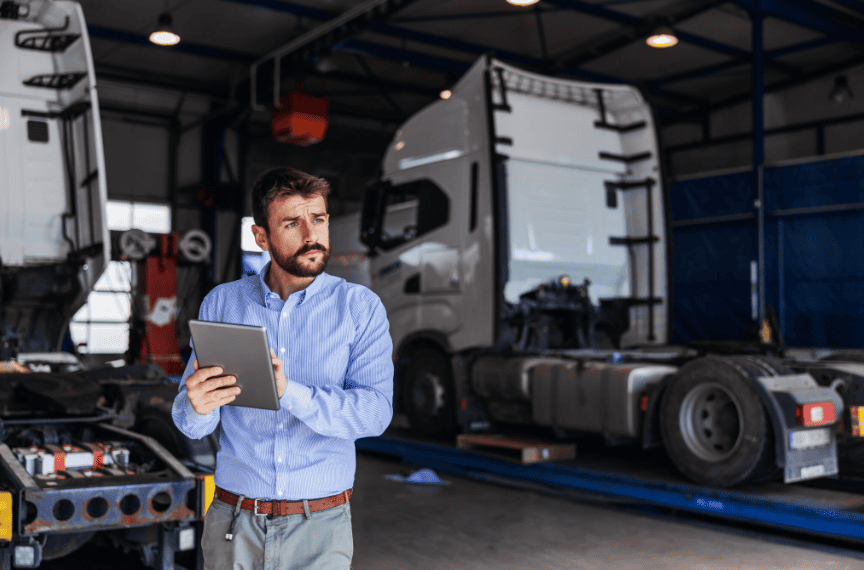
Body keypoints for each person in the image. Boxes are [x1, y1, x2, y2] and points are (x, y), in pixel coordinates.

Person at [172, 167, 394, 570]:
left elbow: (375, 414)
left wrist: (290, 392)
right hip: (234, 522)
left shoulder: (360, 309)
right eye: (292, 223)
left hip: (320, 530)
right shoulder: (223, 304)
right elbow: (193, 425)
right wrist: (197, 406)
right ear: (261, 237)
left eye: (319, 219)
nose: (312, 234)